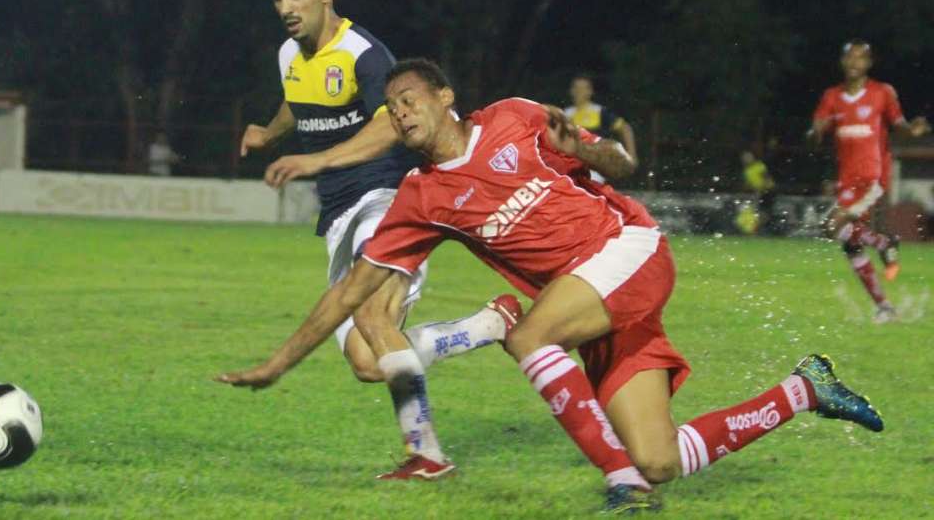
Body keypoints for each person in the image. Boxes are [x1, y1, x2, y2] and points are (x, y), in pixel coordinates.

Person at [219, 59, 885, 513]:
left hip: (629, 248)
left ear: (444, 97)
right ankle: (805, 388)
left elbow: (621, 161)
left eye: (409, 100)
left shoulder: (514, 118)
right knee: (660, 457)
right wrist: (279, 363)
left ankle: (618, 483)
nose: (400, 114)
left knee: (530, 331)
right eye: (391, 111)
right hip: (591, 301)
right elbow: (351, 292)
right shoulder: (420, 198)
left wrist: (588, 148)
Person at [233, 0, 519, 473]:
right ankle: (489, 326)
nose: (286, 8)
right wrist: (269, 131)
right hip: (341, 217)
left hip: (386, 201)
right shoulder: (288, 55)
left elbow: (390, 123)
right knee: (368, 361)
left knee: (368, 312)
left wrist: (319, 161)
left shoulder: (365, 54)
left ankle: (426, 454)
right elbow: (299, 101)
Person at [811, 39, 931, 323]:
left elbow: (898, 126)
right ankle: (885, 306)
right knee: (850, 243)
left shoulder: (882, 92)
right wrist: (815, 132)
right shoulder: (832, 96)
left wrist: (912, 131)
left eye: (860, 58)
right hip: (847, 179)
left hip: (873, 174)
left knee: (833, 225)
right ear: (842, 62)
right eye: (849, 57)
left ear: (869, 63)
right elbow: (816, 130)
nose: (854, 63)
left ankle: (883, 242)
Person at [564, 73, 637, 176]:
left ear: (590, 91)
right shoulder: (565, 114)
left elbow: (625, 128)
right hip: (571, 166)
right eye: (576, 88)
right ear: (571, 91)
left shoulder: (599, 112)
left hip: (594, 167)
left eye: (583, 88)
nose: (579, 92)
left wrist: (631, 155)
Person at [740, 150, 776, 234]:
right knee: (759, 211)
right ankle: (758, 229)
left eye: (748, 157)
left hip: (767, 191)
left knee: (765, 211)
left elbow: (766, 177)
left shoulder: (759, 166)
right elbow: (749, 184)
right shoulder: (747, 171)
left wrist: (764, 189)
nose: (747, 160)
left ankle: (760, 229)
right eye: (745, 158)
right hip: (758, 192)